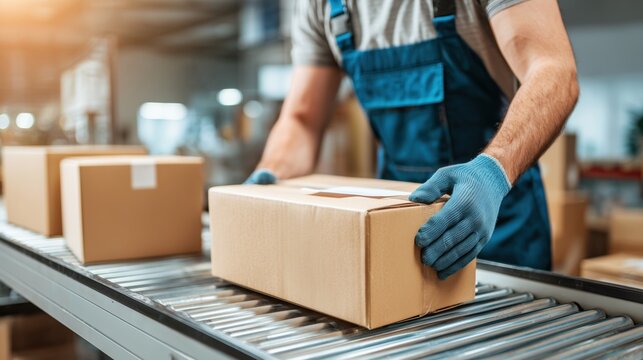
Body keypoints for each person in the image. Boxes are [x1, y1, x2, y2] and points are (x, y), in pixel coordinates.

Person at [245, 0, 579, 279]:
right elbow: (303, 120)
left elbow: (553, 70)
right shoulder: (320, 5)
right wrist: (271, 176)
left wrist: (492, 171)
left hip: (498, 220)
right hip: (398, 229)